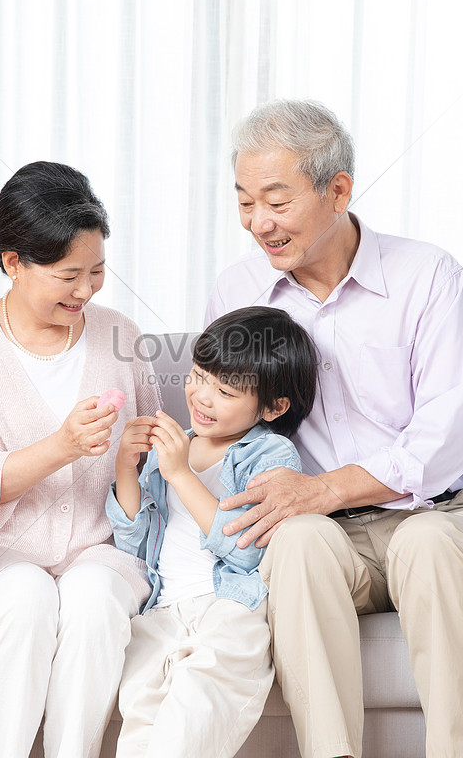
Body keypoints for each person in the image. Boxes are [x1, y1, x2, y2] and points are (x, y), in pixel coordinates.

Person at [205, 99, 463, 758]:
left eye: (276, 202)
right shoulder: (239, 290)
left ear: (338, 190)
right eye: (245, 202)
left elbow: (442, 440)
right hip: (325, 537)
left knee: (426, 544)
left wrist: (326, 488)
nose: (258, 223)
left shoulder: (427, 275)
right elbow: (223, 423)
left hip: (437, 516)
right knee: (300, 543)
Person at [0, 160, 159, 758]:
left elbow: (153, 455)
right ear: (13, 263)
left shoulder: (119, 334)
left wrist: (146, 451)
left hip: (102, 543)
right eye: (68, 275)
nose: (85, 290)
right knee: (25, 600)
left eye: (97, 272)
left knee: (93, 602)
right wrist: (62, 444)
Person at [107, 305, 317, 757]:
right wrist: (127, 467)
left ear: (273, 406)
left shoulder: (270, 456)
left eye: (224, 390)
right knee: (140, 722)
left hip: (228, 608)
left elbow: (246, 550)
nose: (202, 396)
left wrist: (181, 473)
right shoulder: (177, 446)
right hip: (161, 610)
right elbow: (135, 542)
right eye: (199, 375)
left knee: (193, 719)